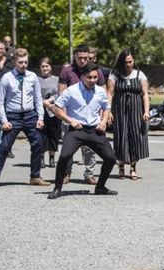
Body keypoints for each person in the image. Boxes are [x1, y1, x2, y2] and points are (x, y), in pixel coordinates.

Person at [47, 63, 117, 199]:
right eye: (89, 77)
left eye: (95, 77)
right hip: (77, 130)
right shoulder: (71, 91)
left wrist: (103, 122)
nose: (93, 80)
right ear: (83, 77)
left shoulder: (100, 92)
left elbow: (106, 107)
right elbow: (56, 108)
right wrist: (69, 120)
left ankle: (100, 187)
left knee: (110, 158)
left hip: (95, 130)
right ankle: (57, 188)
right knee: (64, 157)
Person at [0, 48, 50, 189]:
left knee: (38, 144)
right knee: (4, 147)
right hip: (13, 116)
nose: (24, 65)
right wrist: (4, 121)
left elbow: (37, 98)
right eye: (21, 62)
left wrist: (40, 118)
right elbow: (0, 101)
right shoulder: (7, 77)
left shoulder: (32, 77)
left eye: (26, 62)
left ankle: (35, 176)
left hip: (30, 115)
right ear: (14, 62)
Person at [59, 44, 106, 185]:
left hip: (91, 117)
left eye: (86, 58)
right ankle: (66, 173)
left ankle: (89, 174)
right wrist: (66, 118)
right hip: (70, 117)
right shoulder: (67, 71)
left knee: (90, 148)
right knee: (68, 148)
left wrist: (104, 115)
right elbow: (62, 91)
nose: (83, 61)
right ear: (75, 56)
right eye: (80, 58)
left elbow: (103, 92)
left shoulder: (95, 70)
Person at [107, 50, 150, 179]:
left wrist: (146, 111)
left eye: (131, 61)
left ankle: (133, 167)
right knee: (120, 137)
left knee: (135, 137)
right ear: (121, 62)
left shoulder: (140, 74)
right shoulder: (114, 74)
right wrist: (108, 111)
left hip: (136, 110)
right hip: (119, 110)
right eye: (126, 62)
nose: (129, 64)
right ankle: (120, 167)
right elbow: (109, 93)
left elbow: (145, 94)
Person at [0, 41, 15, 159]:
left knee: (9, 124)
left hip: (9, 98)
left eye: (1, 48)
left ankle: (7, 148)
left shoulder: (11, 64)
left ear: (4, 50)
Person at [38, 57, 61, 168]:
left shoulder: (57, 79)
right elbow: (33, 94)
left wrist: (51, 100)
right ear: (40, 68)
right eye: (43, 66)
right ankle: (41, 158)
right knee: (41, 135)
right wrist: (43, 101)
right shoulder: (36, 79)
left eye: (47, 66)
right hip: (40, 111)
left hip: (53, 110)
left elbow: (60, 93)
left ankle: (52, 158)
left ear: (51, 67)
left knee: (53, 135)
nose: (45, 68)